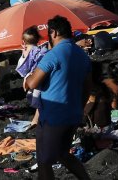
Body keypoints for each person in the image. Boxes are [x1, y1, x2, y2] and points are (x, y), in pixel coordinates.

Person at [23, 16, 92, 180]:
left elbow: (32, 83)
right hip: (73, 114)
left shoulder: (53, 55)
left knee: (45, 161)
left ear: (53, 33)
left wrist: (27, 78)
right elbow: (88, 87)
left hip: (54, 116)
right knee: (63, 154)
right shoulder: (82, 55)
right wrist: (79, 107)